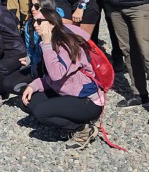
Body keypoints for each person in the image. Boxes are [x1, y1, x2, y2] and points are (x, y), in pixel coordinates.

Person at [19, 8, 105, 150]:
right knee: (27, 102)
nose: (35, 25)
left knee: (41, 112)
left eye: (40, 21)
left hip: (87, 101)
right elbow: (50, 78)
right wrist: (33, 86)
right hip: (67, 93)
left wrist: (46, 44)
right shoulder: (50, 42)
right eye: (35, 21)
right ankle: (67, 120)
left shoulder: (66, 43)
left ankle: (82, 128)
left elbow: (56, 74)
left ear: (52, 23)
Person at [2, 0, 64, 95]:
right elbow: (31, 50)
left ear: (46, 6)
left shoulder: (56, 24)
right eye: (31, 5)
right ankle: (36, 91)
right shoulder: (29, 25)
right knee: (8, 83)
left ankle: (45, 91)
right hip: (37, 66)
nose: (32, 9)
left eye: (36, 6)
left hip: (54, 68)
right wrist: (28, 59)